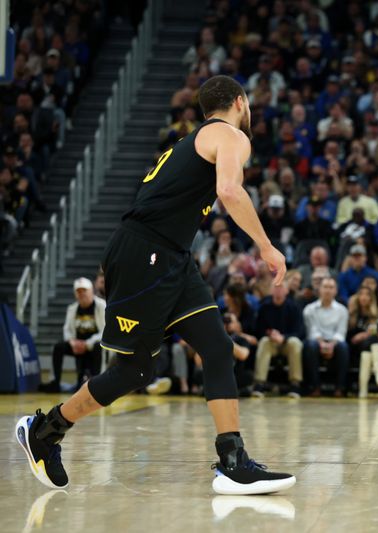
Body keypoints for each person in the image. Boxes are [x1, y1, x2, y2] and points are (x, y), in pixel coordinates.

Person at [15, 76, 295, 494]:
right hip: (144, 252)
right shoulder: (230, 134)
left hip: (170, 256)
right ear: (240, 101)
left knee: (217, 347)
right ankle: (45, 429)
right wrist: (267, 247)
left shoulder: (191, 141)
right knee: (135, 370)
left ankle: (232, 461)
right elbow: (230, 191)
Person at [39, 278, 106, 393]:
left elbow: (105, 330)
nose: (81, 294)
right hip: (77, 345)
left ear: (91, 291)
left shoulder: (101, 306)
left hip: (94, 344)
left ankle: (96, 383)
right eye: (78, 291)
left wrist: (87, 343)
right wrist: (72, 342)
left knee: (97, 347)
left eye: (84, 290)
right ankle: (56, 382)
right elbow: (67, 329)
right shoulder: (72, 308)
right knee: (58, 347)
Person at [254, 282, 304, 397]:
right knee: (264, 342)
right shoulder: (264, 307)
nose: (278, 290)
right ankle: (259, 383)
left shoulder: (294, 307)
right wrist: (270, 333)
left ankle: (295, 384)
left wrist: (284, 338)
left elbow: (300, 332)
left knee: (295, 343)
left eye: (281, 287)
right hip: (271, 342)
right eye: (275, 287)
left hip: (287, 343)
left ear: (287, 291)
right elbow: (258, 330)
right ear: (271, 290)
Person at [302, 277, 350, 397]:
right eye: (325, 287)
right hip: (316, 341)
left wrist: (331, 344)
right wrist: (322, 343)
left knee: (343, 347)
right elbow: (311, 330)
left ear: (336, 291)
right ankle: (315, 386)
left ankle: (340, 387)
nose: (328, 290)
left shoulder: (342, 310)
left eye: (331, 287)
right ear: (319, 290)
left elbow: (341, 332)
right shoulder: (309, 309)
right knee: (310, 346)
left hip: (335, 341)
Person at [347, 286, 378, 398]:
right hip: (356, 350)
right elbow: (348, 337)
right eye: (361, 294)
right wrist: (360, 336)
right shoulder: (352, 316)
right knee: (370, 341)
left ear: (372, 298)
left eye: (367, 294)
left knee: (371, 343)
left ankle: (363, 390)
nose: (364, 297)